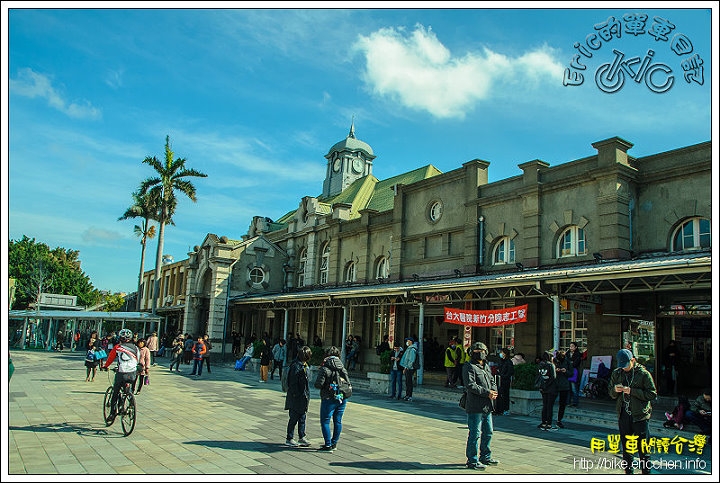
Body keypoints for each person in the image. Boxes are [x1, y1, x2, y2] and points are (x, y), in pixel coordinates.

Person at [608, 348, 657, 475]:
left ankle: (646, 473)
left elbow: (652, 394)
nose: (624, 368)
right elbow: (611, 393)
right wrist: (615, 390)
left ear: (633, 360)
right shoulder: (617, 373)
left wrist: (632, 391)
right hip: (624, 414)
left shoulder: (643, 374)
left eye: (626, 365)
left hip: (640, 416)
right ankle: (628, 473)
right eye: (622, 365)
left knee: (643, 448)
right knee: (627, 448)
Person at [462, 341, 499, 470]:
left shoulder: (486, 366)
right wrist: (487, 393)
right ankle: (472, 460)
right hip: (475, 405)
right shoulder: (469, 366)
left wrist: (494, 391)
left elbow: (492, 380)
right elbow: (470, 385)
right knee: (475, 433)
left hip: (487, 405)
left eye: (482, 352)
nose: (479, 354)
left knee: (488, 432)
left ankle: (486, 456)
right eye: (477, 352)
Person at [314, 346, 351, 452]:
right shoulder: (342, 367)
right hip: (342, 397)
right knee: (338, 420)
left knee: (325, 421)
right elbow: (348, 382)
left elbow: (318, 384)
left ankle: (328, 445)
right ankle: (334, 443)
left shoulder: (325, 368)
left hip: (328, 397)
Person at [100, 328, 140, 422]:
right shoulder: (136, 348)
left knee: (115, 392)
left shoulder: (118, 347)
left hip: (121, 373)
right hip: (132, 373)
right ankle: (130, 403)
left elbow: (110, 358)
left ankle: (113, 413)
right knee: (128, 389)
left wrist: (105, 366)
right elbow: (137, 360)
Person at [284, 345, 313, 448]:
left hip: (303, 396)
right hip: (296, 397)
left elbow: (308, 379)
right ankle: (289, 438)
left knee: (302, 417)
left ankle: (302, 436)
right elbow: (293, 383)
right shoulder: (296, 366)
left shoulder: (304, 365)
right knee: (294, 418)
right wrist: (297, 394)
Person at [537, 350, 558, 431]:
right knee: (550, 406)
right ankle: (549, 424)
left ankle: (543, 422)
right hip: (551, 388)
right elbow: (554, 377)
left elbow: (539, 376)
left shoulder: (540, 365)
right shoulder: (550, 365)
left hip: (543, 388)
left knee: (545, 405)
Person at [554, 349, 572, 428]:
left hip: (564, 385)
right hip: (555, 385)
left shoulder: (567, 362)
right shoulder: (554, 361)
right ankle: (547, 420)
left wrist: (565, 371)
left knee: (562, 404)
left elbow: (571, 373)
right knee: (550, 402)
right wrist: (555, 370)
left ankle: (559, 420)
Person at [495, 348, 514, 416]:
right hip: (500, 380)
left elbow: (510, 372)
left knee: (505, 395)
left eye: (502, 352)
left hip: (505, 380)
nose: (501, 354)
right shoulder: (501, 361)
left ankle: (505, 409)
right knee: (499, 395)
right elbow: (498, 368)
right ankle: (499, 409)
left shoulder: (508, 362)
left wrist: (503, 375)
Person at [399, 337, 418, 401]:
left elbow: (411, 360)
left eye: (408, 341)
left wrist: (407, 367)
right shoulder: (409, 348)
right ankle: (407, 395)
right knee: (407, 382)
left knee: (409, 382)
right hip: (407, 367)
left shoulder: (412, 349)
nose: (407, 342)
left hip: (410, 368)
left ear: (411, 341)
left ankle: (409, 396)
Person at [566, 342, 582, 407]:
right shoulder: (567, 354)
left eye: (572, 346)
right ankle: (567, 402)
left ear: (576, 347)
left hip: (574, 372)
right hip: (567, 372)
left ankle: (575, 402)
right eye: (570, 346)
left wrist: (570, 362)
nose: (571, 348)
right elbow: (565, 362)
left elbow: (575, 363)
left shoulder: (578, 354)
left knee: (574, 388)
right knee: (568, 388)